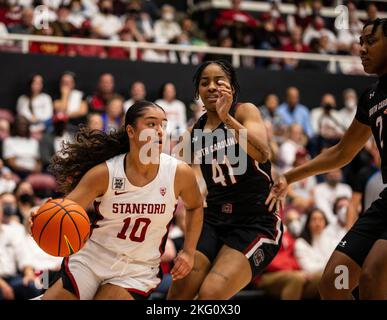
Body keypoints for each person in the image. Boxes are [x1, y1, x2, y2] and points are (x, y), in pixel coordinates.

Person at [266, 18, 387, 300]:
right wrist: (290, 176)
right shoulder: (371, 96)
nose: (362, 49)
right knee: (335, 282)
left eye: (371, 42)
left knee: (372, 277)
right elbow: (342, 152)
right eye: (360, 43)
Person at [35, 101, 203, 300]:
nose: (159, 131)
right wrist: (39, 218)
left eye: (163, 125)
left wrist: (189, 251)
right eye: (151, 124)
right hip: (92, 259)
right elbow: (65, 209)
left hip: (136, 269)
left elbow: (196, 206)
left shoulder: (178, 173)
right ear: (130, 131)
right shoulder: (105, 172)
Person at [168, 60, 283, 300]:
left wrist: (225, 118)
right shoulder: (194, 132)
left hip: (254, 221)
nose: (211, 87)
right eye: (204, 82)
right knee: (179, 292)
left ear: (231, 86)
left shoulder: (245, 111)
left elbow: (262, 153)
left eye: (218, 80)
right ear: (197, 92)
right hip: (213, 219)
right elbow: (171, 172)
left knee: (211, 293)